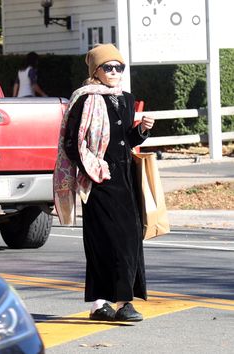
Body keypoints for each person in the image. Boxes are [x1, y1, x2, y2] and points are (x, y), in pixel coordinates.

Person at [53, 43, 154, 322]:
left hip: (125, 179)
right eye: (108, 67)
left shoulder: (125, 98)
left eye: (119, 67)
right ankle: (111, 304)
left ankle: (112, 304)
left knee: (129, 239)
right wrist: (95, 168)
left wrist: (141, 131)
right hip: (98, 181)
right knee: (105, 241)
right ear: (96, 71)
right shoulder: (85, 99)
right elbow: (72, 144)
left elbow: (125, 142)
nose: (114, 72)